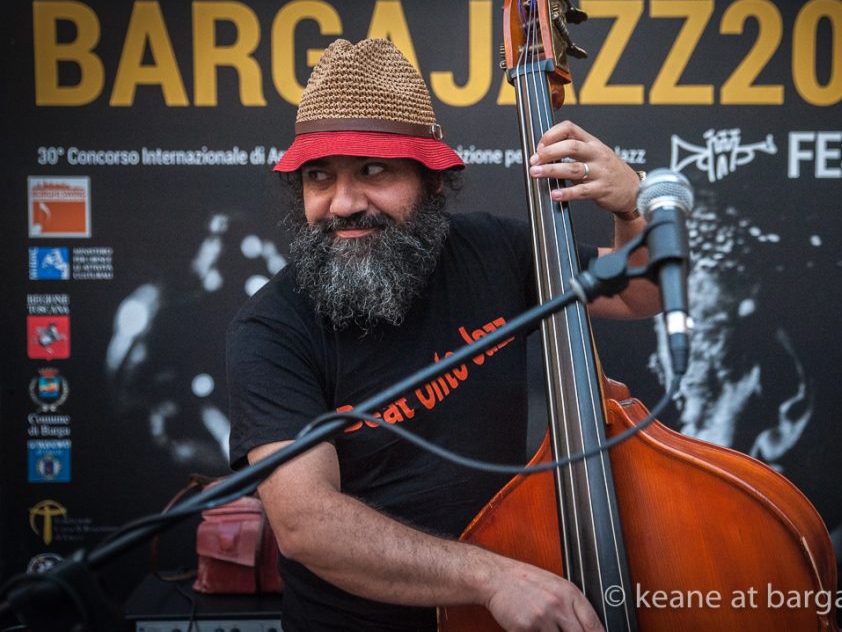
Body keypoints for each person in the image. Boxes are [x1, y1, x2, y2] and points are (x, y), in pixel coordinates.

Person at [227, 38, 658, 631]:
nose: (342, 203)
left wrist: (633, 206)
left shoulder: (494, 250)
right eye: (319, 177)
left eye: (373, 171)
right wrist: (493, 578)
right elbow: (307, 524)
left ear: (431, 179)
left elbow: (640, 293)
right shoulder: (272, 327)